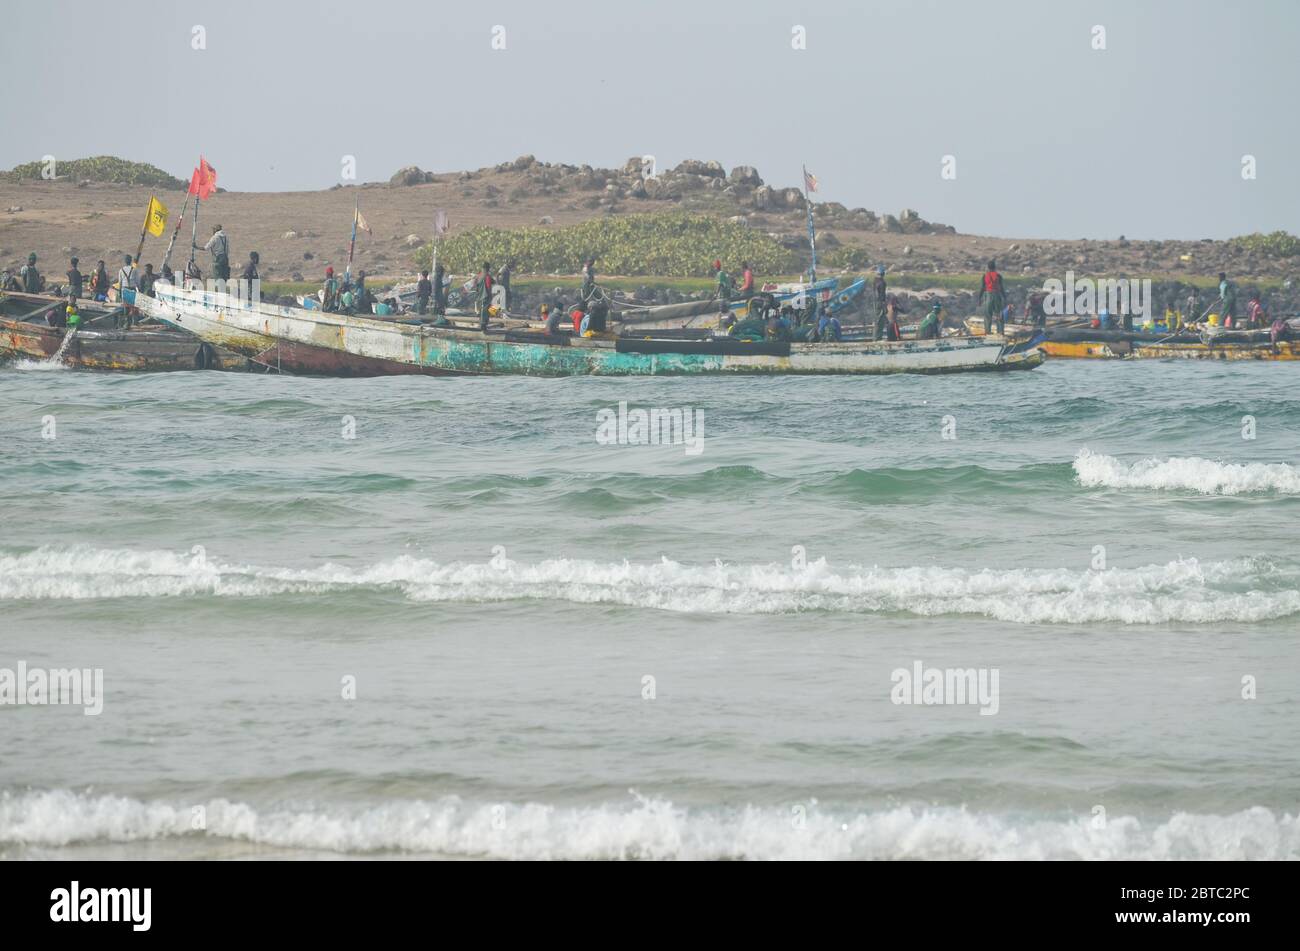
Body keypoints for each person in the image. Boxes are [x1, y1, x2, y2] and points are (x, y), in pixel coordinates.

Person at [978, 260, 1005, 335]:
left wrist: (979, 298)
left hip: (988, 296)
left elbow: (982, 288)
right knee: (999, 314)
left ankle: (988, 333)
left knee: (987, 316)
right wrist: (1004, 298)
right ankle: (1000, 333)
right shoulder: (999, 276)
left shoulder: (985, 276)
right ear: (995, 267)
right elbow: (1002, 288)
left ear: (988, 267)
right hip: (997, 296)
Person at [475, 262, 494, 332]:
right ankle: (484, 326)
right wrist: (491, 295)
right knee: (487, 311)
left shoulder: (478, 276)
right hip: (486, 296)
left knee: (481, 311)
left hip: (479, 297)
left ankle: (481, 324)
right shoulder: (487, 276)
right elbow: (488, 287)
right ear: (488, 268)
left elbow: (476, 287)